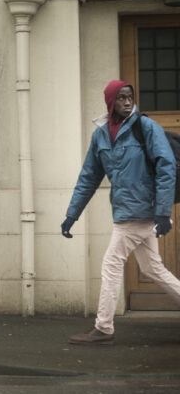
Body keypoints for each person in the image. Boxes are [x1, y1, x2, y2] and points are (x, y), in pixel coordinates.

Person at [62, 79, 180, 344]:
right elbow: (89, 177)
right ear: (110, 101)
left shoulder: (145, 127)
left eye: (130, 97)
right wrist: (72, 214)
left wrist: (162, 212)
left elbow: (166, 166)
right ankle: (104, 327)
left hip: (139, 211)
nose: (128, 102)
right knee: (152, 269)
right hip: (126, 209)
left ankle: (104, 327)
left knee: (111, 264)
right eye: (121, 98)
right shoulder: (101, 135)